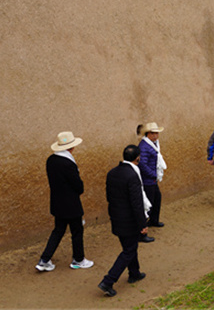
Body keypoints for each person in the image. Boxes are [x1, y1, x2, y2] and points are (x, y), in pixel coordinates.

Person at [35, 132, 94, 272]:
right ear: (71, 148)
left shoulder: (51, 160)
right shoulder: (68, 163)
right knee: (77, 231)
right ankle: (78, 260)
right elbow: (78, 186)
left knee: (58, 231)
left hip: (57, 203)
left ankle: (44, 260)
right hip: (71, 205)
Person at [98, 145, 149, 297]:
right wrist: (143, 224)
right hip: (129, 221)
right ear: (138, 158)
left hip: (116, 217)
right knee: (128, 250)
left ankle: (134, 273)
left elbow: (109, 196)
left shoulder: (112, 173)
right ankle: (108, 281)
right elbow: (136, 203)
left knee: (130, 246)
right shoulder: (132, 176)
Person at [138, 122, 166, 233]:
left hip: (152, 179)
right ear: (148, 134)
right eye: (153, 133)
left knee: (156, 199)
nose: (156, 135)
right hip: (148, 180)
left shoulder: (153, 144)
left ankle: (154, 220)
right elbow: (142, 164)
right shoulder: (144, 146)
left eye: (157, 133)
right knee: (148, 204)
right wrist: (153, 174)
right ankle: (143, 227)